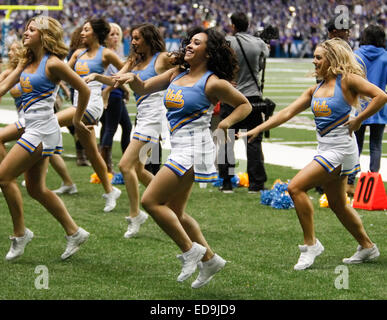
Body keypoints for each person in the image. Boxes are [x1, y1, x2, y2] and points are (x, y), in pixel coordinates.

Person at [113, 27, 252, 288]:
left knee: (151, 201)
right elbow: (143, 88)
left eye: (196, 43)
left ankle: (190, 251)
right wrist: (130, 77)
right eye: (190, 41)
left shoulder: (212, 82)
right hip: (179, 148)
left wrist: (224, 125)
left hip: (195, 148)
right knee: (175, 210)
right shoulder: (177, 73)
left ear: (209, 53)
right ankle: (210, 260)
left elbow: (245, 105)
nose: (189, 45)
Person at [238, 38, 386, 270]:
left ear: (332, 59)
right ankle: (367, 246)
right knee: (338, 204)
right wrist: (257, 129)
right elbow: (286, 113)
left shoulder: (346, 81)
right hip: (325, 149)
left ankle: (311, 245)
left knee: (295, 187)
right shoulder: (315, 89)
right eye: (314, 57)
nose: (314, 61)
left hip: (340, 149)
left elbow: (381, 96)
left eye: (319, 57)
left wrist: (359, 119)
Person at [0, 16, 90, 261]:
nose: (25, 33)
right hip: (32, 127)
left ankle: (20, 233)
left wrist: (77, 119)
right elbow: (3, 87)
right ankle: (75, 232)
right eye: (26, 28)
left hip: (42, 130)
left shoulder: (53, 63)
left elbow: (84, 89)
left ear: (44, 35)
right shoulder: (27, 61)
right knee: (36, 188)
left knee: (4, 176)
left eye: (32, 30)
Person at [86, 23, 174, 238]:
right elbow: (115, 81)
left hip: (154, 118)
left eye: (136, 38)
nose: (132, 42)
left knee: (125, 165)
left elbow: (188, 64)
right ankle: (170, 204)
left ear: (148, 38)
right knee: (138, 170)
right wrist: (97, 77)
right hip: (142, 117)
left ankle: (135, 215)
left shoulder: (162, 58)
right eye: (132, 38)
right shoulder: (133, 60)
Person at [56, 17, 124, 212]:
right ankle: (110, 191)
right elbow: (62, 74)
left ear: (95, 33)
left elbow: (123, 76)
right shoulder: (78, 53)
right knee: (93, 153)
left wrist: (104, 87)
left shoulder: (106, 54)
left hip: (92, 105)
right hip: (78, 103)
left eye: (86, 30)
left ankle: (33, 178)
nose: (82, 33)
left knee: (51, 123)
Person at [0, 40, 77, 195]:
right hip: (27, 121)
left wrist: (63, 90)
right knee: (49, 160)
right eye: (9, 50)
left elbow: (57, 78)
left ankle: (7, 174)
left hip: (35, 121)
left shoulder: (38, 66)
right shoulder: (12, 72)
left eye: (14, 50)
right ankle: (68, 182)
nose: (10, 53)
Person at [218, 12, 269, 193]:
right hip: (253, 98)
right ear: (248, 24)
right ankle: (256, 184)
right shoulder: (259, 43)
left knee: (226, 140)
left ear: (233, 25)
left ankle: (226, 182)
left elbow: (219, 64)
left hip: (231, 96)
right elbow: (261, 66)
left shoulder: (227, 42)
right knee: (253, 141)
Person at [346, 25, 387, 196]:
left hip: (360, 106)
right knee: (376, 146)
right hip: (379, 104)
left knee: (356, 145)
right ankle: (373, 182)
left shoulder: (356, 55)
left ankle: (350, 182)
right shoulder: (385, 57)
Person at [98, 22, 132, 174]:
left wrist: (125, 89)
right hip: (111, 94)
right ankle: (106, 166)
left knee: (124, 126)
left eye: (117, 34)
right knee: (110, 128)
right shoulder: (108, 54)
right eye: (112, 34)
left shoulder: (112, 53)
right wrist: (123, 88)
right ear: (105, 37)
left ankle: (124, 161)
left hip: (114, 93)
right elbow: (113, 77)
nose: (116, 37)